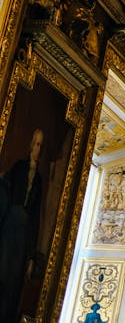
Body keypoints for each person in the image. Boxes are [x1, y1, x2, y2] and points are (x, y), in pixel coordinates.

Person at [0, 129, 45, 322]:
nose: (37, 148)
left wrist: (31, 257)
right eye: (36, 143)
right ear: (30, 145)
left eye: (40, 145)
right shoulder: (18, 168)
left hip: (23, 235)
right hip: (9, 228)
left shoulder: (40, 181)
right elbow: (5, 188)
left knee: (13, 282)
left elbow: (35, 219)